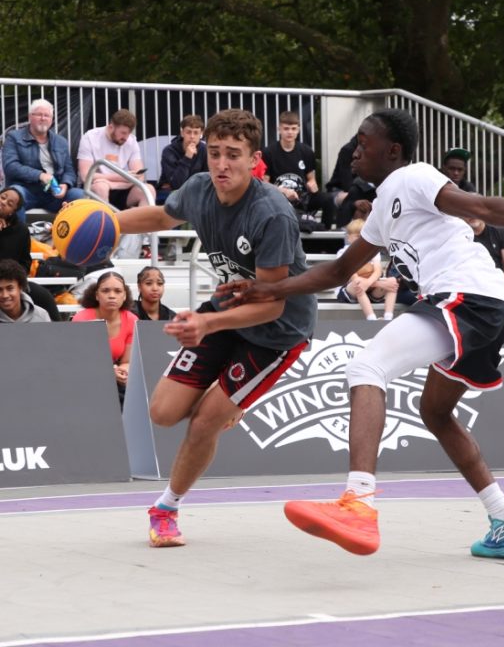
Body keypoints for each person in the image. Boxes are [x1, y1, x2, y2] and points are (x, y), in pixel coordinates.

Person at [218, 107, 504, 561]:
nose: (353, 151)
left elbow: (483, 207)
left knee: (365, 367)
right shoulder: (383, 209)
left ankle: (358, 503)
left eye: (363, 142)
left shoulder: (414, 177)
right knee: (435, 412)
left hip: (466, 296)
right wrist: (268, 288)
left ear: (393, 150)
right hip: (480, 306)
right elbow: (337, 271)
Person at [114, 109, 317, 548]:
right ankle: (227, 401)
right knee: (162, 413)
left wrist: (206, 322)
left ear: (255, 160)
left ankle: (165, 508)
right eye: (216, 153)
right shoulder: (199, 188)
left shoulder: (272, 214)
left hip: (277, 331)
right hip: (228, 306)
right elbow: (161, 218)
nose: (222, 164)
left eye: (234, 155)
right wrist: (107, 222)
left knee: (205, 420)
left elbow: (271, 303)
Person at [1, 98, 85, 220]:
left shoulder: (61, 141)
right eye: (39, 114)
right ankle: (18, 232)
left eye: (47, 115)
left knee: (80, 195)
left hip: (54, 194)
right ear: (30, 117)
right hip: (25, 190)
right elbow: (10, 167)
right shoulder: (14, 137)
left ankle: (70, 232)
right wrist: (40, 175)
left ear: (51, 119)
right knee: (13, 195)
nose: (43, 118)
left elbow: (69, 171)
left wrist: (65, 184)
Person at [71, 271, 139, 408]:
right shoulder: (81, 319)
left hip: (116, 380)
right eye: (105, 291)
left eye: (118, 291)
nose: (112, 295)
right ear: (97, 295)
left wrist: (122, 372)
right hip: (86, 379)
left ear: (124, 295)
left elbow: (127, 361)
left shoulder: (132, 320)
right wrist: (109, 372)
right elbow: (79, 362)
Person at [262, 110, 335, 230]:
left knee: (328, 199)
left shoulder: (306, 151)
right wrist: (283, 191)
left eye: (293, 128)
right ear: (279, 129)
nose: (290, 132)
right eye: (286, 129)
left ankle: (325, 233)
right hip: (279, 199)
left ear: (298, 130)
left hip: (303, 198)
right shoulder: (269, 152)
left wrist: (312, 185)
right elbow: (264, 185)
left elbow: (311, 179)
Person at [0, 185, 61, 320]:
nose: (3, 202)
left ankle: (59, 331)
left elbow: (25, 262)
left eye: (9, 203)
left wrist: (16, 280)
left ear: (13, 211)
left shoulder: (21, 230)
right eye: (2, 197)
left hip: (12, 281)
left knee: (44, 296)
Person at [77, 109, 156, 210]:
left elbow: (139, 176)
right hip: (95, 186)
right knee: (101, 187)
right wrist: (122, 177)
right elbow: (86, 176)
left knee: (149, 189)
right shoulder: (90, 137)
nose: (126, 137)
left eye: (128, 133)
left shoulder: (131, 141)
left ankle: (142, 220)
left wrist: (113, 183)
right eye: (123, 133)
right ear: (111, 127)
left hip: (119, 187)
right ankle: (106, 220)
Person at [336, 219, 396, 321]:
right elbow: (353, 276)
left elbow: (377, 271)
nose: (361, 240)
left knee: (392, 282)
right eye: (357, 236)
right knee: (358, 283)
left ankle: (388, 317)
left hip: (370, 288)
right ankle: (371, 318)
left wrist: (369, 283)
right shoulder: (343, 252)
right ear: (349, 237)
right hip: (350, 290)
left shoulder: (372, 251)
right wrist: (377, 284)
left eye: (363, 237)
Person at [157, 115, 207, 201]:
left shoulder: (204, 150)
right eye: (188, 132)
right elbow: (177, 184)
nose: (192, 136)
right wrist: (187, 157)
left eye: (196, 133)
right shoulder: (169, 151)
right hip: (169, 193)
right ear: (182, 133)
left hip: (196, 191)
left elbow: (207, 177)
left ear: (201, 134)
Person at [0, 258, 52, 323]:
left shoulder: (41, 316)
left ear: (20, 288)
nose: (5, 295)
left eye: (10, 288)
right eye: (0, 290)